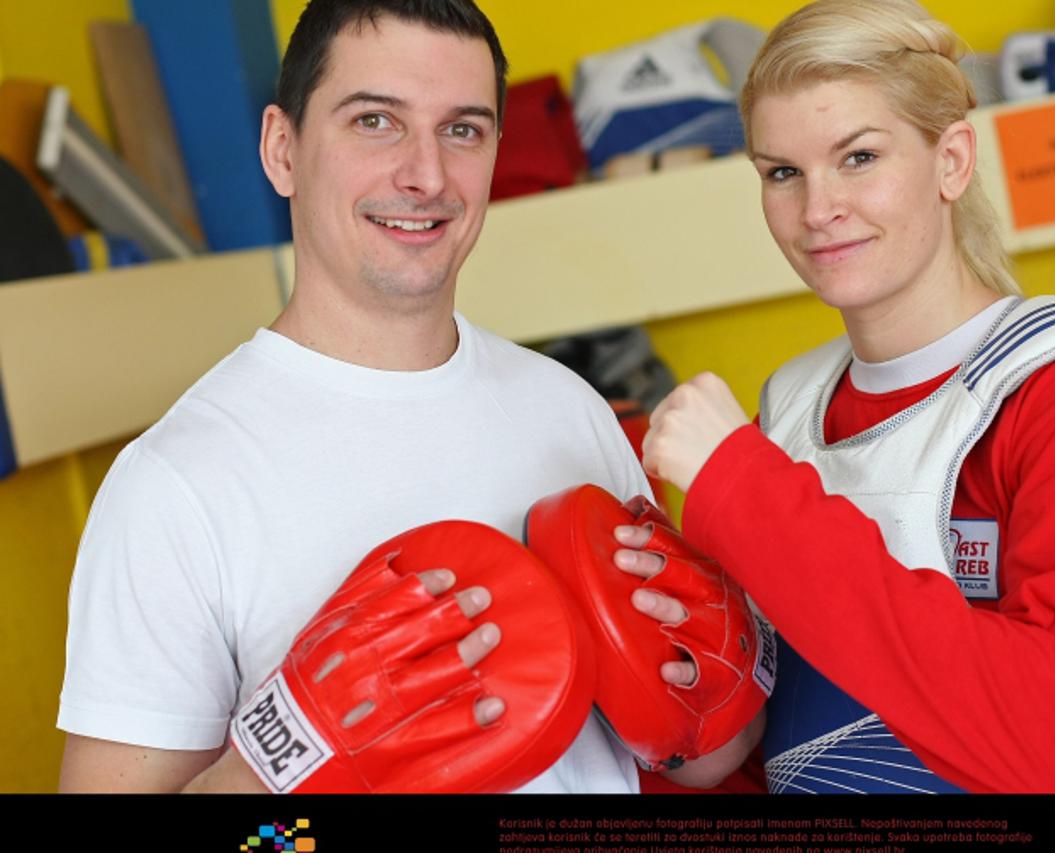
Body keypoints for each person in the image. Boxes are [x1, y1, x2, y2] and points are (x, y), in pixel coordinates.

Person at [57, 0, 758, 794]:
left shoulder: (572, 411)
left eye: (462, 129)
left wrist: (720, 674)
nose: (426, 175)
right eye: (375, 122)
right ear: (282, 150)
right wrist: (280, 765)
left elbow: (697, 756)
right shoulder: (173, 486)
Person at [624, 0, 1055, 794]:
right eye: (782, 172)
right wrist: (692, 701)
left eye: (858, 157)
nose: (817, 210)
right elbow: (754, 746)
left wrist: (742, 488)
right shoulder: (781, 423)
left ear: (952, 160)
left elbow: (1036, 748)